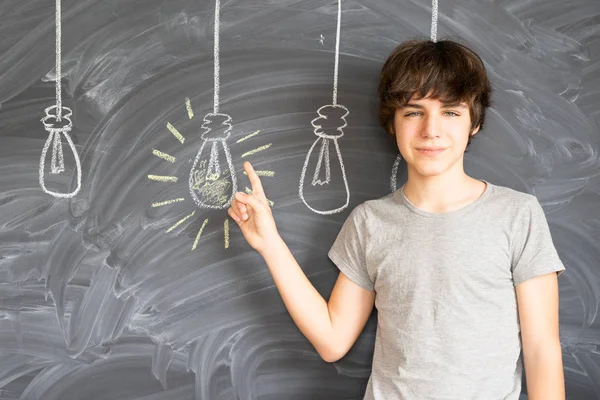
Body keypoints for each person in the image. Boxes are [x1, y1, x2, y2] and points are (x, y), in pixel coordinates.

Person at [227, 39, 566, 400]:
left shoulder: (517, 214)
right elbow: (331, 341)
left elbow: (541, 348)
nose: (431, 130)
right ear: (392, 123)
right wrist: (270, 244)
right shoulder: (370, 222)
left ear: (474, 123)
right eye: (413, 112)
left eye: (450, 112)